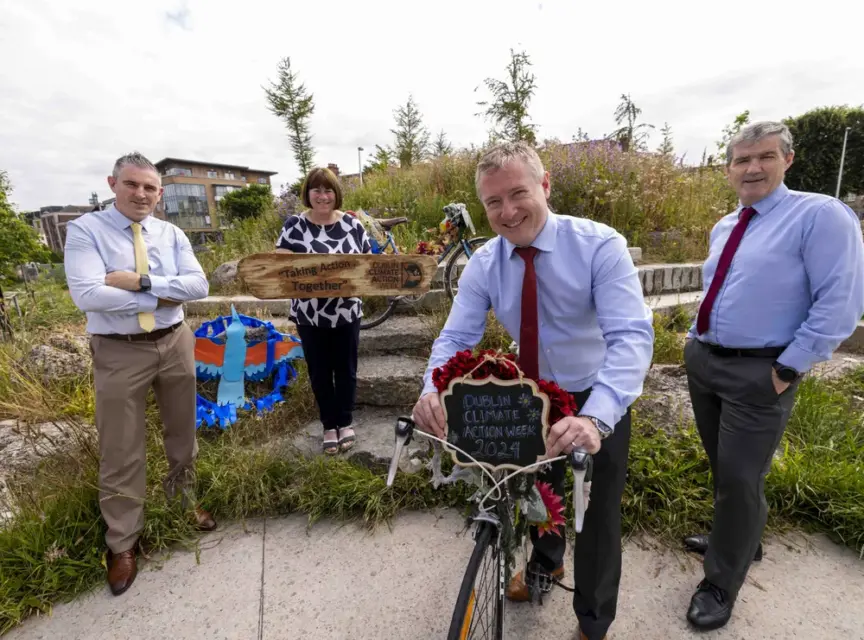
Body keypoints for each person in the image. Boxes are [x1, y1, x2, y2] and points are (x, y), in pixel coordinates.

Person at [412, 141, 654, 640]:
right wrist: (432, 389)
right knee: (531, 491)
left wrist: (597, 417)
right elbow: (457, 337)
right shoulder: (484, 262)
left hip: (593, 397)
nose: (508, 211)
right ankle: (547, 565)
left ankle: (593, 621)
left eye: (519, 193)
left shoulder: (599, 245)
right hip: (528, 396)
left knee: (596, 514)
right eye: (493, 202)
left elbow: (630, 336)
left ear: (545, 186)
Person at [682, 121, 864, 631]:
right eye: (741, 160)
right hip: (706, 361)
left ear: (788, 159)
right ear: (728, 169)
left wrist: (789, 367)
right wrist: (694, 346)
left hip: (761, 371)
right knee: (724, 467)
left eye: (764, 156)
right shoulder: (727, 223)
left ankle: (720, 582)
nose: (752, 167)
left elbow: (840, 302)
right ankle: (740, 540)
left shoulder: (820, 216)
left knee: (741, 478)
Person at [64, 152, 217, 597]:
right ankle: (123, 541)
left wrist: (140, 283)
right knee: (120, 446)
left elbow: (199, 286)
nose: (141, 194)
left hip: (174, 342)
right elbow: (88, 294)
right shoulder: (86, 231)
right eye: (132, 185)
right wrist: (163, 296)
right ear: (113, 183)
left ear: (160, 193)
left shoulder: (171, 233)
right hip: (118, 351)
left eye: (150, 188)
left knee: (182, 432)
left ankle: (184, 502)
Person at [275, 167, 372, 455]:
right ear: (308, 193)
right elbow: (280, 265)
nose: (322, 195)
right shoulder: (294, 225)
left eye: (328, 190)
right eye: (316, 190)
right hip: (309, 314)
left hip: (346, 311)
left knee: (346, 370)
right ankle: (329, 425)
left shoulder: (353, 225)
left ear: (336, 194)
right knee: (319, 372)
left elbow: (368, 263)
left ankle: (345, 421)